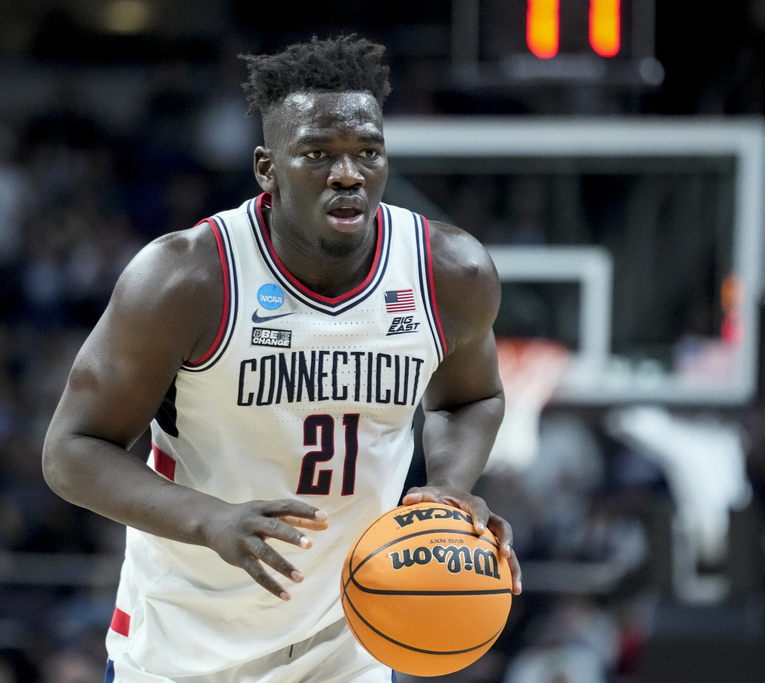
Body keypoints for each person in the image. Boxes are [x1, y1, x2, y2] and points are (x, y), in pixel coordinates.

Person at [42, 34, 522, 683]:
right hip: (182, 648)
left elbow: (473, 397)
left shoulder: (447, 272)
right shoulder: (187, 280)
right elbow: (71, 449)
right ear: (268, 167)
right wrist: (210, 519)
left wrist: (449, 486)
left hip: (345, 644)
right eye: (318, 154)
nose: (348, 172)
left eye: (367, 152)